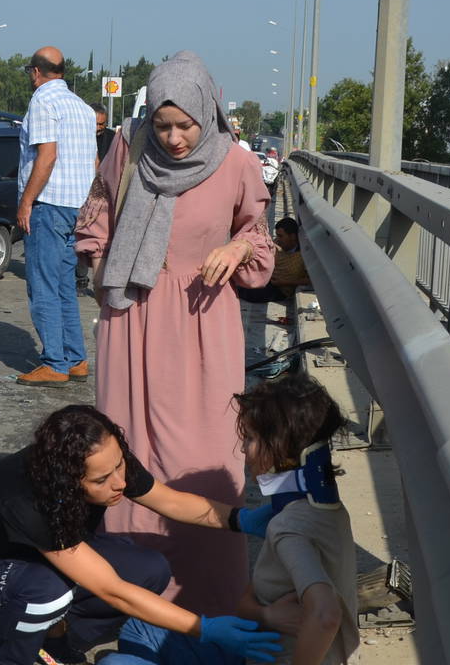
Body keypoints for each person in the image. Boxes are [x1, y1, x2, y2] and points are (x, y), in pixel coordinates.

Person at [75, 51, 275, 615]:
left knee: (204, 454)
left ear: (206, 112)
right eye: (162, 125)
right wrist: (103, 273)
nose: (173, 138)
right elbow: (96, 216)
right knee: (125, 451)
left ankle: (209, 597)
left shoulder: (236, 162)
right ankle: (128, 596)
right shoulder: (128, 146)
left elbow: (259, 239)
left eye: (184, 125)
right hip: (132, 320)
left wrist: (236, 248)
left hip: (202, 325)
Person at [0, 405, 281, 665]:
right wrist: (205, 629)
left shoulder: (106, 458)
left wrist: (242, 519)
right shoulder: (27, 500)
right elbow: (112, 590)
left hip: (39, 559)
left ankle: (51, 638)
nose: (120, 482)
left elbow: (171, 502)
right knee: (48, 591)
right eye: (101, 480)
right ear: (66, 480)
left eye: (119, 465)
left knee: (149, 569)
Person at [90, 374, 357, 665]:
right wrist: (269, 615)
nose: (244, 450)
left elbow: (325, 614)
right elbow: (248, 603)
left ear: (280, 446)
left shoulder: (290, 527)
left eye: (251, 439)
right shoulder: (321, 507)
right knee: (137, 630)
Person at [16, 47, 96, 386]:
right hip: (77, 206)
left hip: (48, 205)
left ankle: (54, 363)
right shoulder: (83, 108)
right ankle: (75, 359)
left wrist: (26, 202)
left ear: (36, 73)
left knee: (43, 286)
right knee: (64, 287)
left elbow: (46, 157)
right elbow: (93, 162)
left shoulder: (42, 102)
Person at [76, 105, 117, 295]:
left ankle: (99, 281)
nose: (99, 128)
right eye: (96, 124)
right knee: (85, 238)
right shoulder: (80, 136)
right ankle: (81, 279)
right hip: (83, 193)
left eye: (102, 124)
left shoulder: (113, 138)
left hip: (105, 195)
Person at [237, 218, 311, 304]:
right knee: (243, 279)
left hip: (281, 290)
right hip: (268, 280)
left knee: (251, 293)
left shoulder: (304, 255)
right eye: (277, 236)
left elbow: (309, 280)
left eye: (281, 236)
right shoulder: (276, 245)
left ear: (292, 236)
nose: (278, 239)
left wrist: (284, 282)